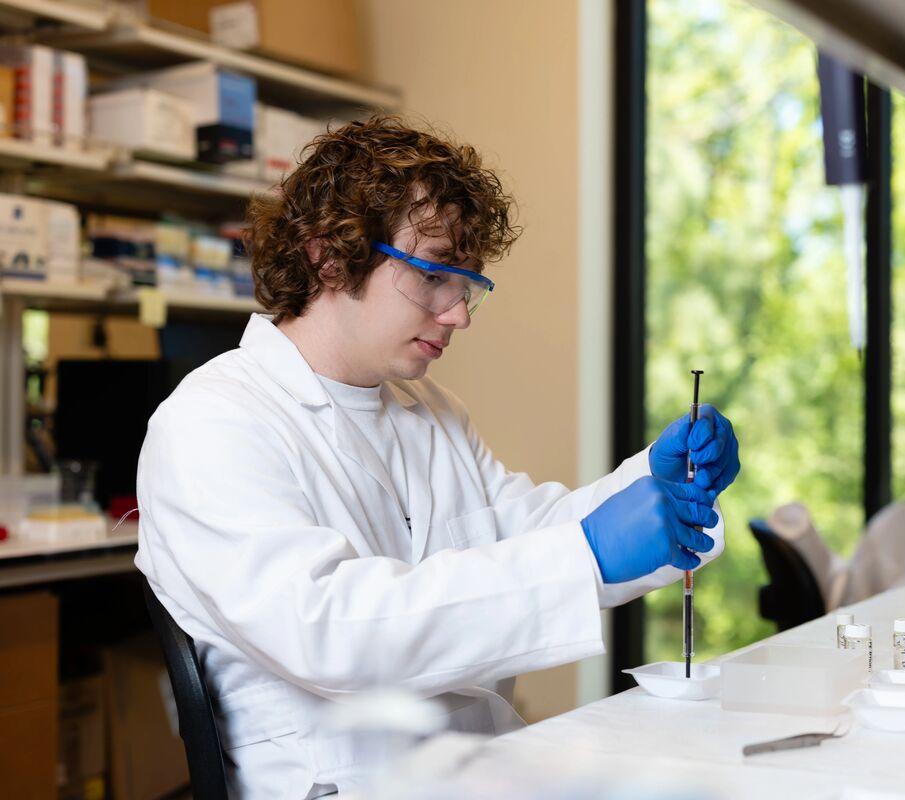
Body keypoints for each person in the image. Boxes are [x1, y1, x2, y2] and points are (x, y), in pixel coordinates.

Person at [135, 116, 740, 797]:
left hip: (480, 767)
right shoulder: (213, 421)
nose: (460, 315)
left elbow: (527, 538)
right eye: (435, 276)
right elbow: (328, 631)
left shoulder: (433, 413)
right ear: (327, 256)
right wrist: (587, 555)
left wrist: (650, 483)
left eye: (468, 282)